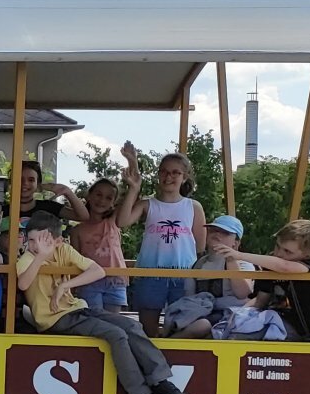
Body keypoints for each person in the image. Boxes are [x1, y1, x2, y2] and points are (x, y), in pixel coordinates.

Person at [18, 211, 187, 394]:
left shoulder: (64, 249)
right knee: (116, 334)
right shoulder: (27, 258)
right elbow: (23, 283)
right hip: (54, 319)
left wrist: (65, 286)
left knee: (131, 325)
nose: (36, 246)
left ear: (58, 240)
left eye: (43, 241)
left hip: (77, 309)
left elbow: (98, 271)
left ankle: (159, 380)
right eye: (32, 240)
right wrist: (41, 256)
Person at [117, 142, 205, 336]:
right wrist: (134, 188)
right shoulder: (147, 204)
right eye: (164, 172)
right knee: (148, 330)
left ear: (184, 177)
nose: (169, 177)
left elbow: (200, 247)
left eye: (175, 173)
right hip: (151, 272)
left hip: (184, 275)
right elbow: (122, 222)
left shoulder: (193, 206)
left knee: (180, 327)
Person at [210, 219, 310, 341]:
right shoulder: (271, 265)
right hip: (270, 319)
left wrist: (240, 255)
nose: (278, 253)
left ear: (307, 254)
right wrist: (239, 314)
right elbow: (260, 301)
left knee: (237, 337)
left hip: (297, 330)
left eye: (287, 251)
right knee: (225, 326)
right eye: (278, 246)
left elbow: (284, 267)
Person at [164, 214, 256, 338]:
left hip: (229, 315)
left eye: (225, 232)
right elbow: (189, 298)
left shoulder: (243, 263)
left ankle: (166, 345)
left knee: (202, 325)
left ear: (236, 242)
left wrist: (230, 260)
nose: (217, 234)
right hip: (199, 312)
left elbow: (243, 294)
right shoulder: (198, 264)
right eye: (213, 230)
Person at [68, 179, 130, 312]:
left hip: (115, 280)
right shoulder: (77, 230)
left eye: (108, 198)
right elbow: (75, 261)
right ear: (89, 195)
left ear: (113, 203)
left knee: (112, 320)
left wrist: (133, 184)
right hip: (89, 280)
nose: (102, 200)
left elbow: (129, 203)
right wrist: (71, 288)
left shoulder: (114, 220)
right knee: (94, 319)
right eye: (98, 194)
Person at [10, 160, 87, 229]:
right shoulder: (4, 210)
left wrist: (67, 191)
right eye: (20, 179)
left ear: (38, 183)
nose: (25, 183)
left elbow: (83, 216)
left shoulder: (49, 207)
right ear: (11, 182)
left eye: (31, 180)